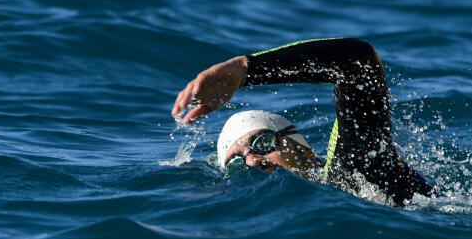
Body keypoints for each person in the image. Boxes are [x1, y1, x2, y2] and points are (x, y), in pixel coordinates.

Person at [171, 37, 433, 206]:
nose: (251, 161)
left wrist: (245, 69)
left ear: (306, 152)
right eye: (237, 161)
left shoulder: (358, 172)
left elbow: (356, 61)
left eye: (262, 143)